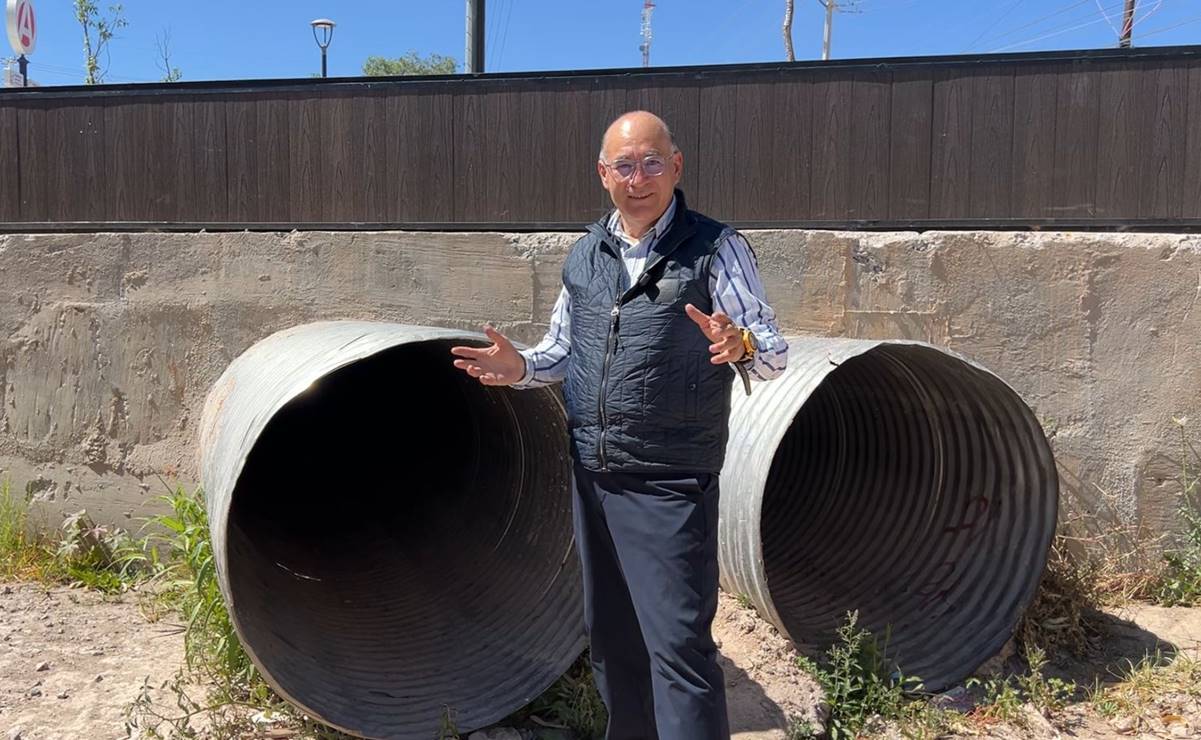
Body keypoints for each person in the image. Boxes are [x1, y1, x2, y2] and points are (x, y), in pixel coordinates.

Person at [450, 110, 788, 740]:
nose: (640, 179)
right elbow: (562, 349)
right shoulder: (586, 255)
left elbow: (773, 352)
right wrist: (519, 364)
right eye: (625, 166)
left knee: (678, 650)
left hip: (669, 481)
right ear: (603, 174)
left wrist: (738, 342)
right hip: (594, 474)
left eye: (652, 162)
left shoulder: (716, 248)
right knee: (610, 639)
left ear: (677, 166)